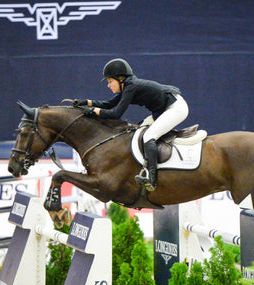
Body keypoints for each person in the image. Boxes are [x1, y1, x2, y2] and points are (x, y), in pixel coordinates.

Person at [73, 58, 189, 191]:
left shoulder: (131, 86)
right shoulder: (128, 86)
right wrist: (87, 102)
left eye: (110, 81)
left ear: (120, 79)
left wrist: (94, 111)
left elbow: (116, 113)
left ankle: (152, 178)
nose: (108, 85)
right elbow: (109, 104)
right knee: (138, 130)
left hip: (175, 108)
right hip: (162, 110)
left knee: (148, 136)